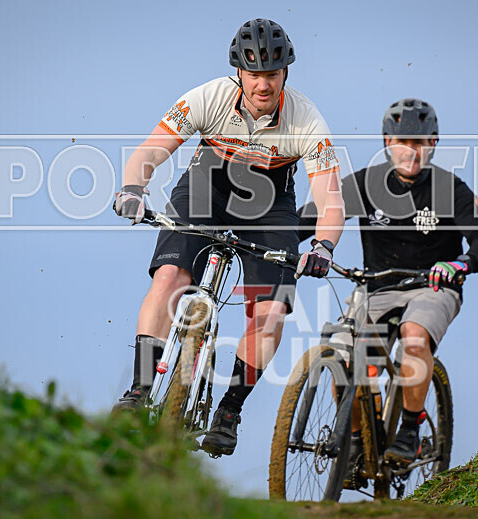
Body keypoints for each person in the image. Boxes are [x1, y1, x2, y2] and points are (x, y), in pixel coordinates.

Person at [112, 19, 345, 457]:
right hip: (207, 185)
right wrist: (133, 189)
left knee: (271, 310)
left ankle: (229, 411)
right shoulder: (208, 97)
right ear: (239, 72)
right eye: (254, 75)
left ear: (285, 74)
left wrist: (322, 245)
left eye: (272, 75)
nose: (263, 85)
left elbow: (331, 201)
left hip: (270, 202)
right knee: (169, 278)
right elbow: (150, 151)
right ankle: (139, 390)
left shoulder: (306, 119)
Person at [298, 98, 478, 479]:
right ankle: (358, 444)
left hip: (432, 286)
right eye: (404, 141)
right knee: (349, 366)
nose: (413, 151)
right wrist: (280, 247)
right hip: (377, 289)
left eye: (422, 142)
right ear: (387, 141)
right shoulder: (364, 184)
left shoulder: (450, 188)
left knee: (413, 335)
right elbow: (308, 219)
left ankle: (409, 429)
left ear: (435, 143)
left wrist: (460, 263)